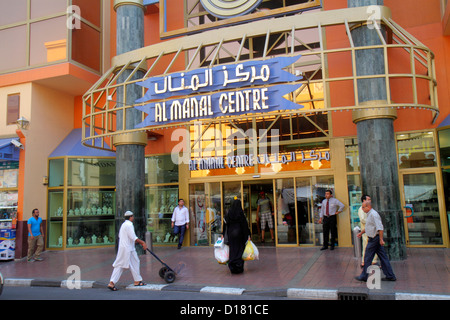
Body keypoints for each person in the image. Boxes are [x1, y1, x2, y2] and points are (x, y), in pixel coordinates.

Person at [355, 202, 396, 282]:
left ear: (368, 207)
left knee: (367, 257)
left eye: (363, 207)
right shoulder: (369, 214)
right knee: (383, 257)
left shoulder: (374, 214)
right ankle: (390, 275)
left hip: (374, 239)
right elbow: (368, 226)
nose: (362, 209)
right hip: (374, 238)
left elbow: (380, 227)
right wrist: (361, 233)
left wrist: (381, 239)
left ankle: (364, 276)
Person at [108, 211, 148, 291]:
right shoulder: (129, 225)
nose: (133, 218)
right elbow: (133, 237)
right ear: (131, 217)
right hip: (128, 249)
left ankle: (137, 280)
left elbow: (124, 236)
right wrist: (143, 242)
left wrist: (137, 242)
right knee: (121, 265)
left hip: (126, 248)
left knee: (134, 262)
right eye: (133, 216)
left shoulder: (123, 225)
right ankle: (112, 283)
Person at [222, 198, 251, 274]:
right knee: (240, 250)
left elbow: (225, 225)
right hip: (240, 236)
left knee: (232, 250)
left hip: (231, 235)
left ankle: (232, 266)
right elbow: (245, 226)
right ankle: (239, 266)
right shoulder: (241, 214)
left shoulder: (229, 214)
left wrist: (223, 234)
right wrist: (248, 235)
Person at [358, 194, 378, 268]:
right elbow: (363, 219)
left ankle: (372, 261)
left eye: (370, 199)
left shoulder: (371, 210)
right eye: (368, 199)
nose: (370, 200)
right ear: (364, 200)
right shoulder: (361, 209)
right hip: (366, 230)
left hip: (371, 230)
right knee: (366, 245)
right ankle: (364, 261)